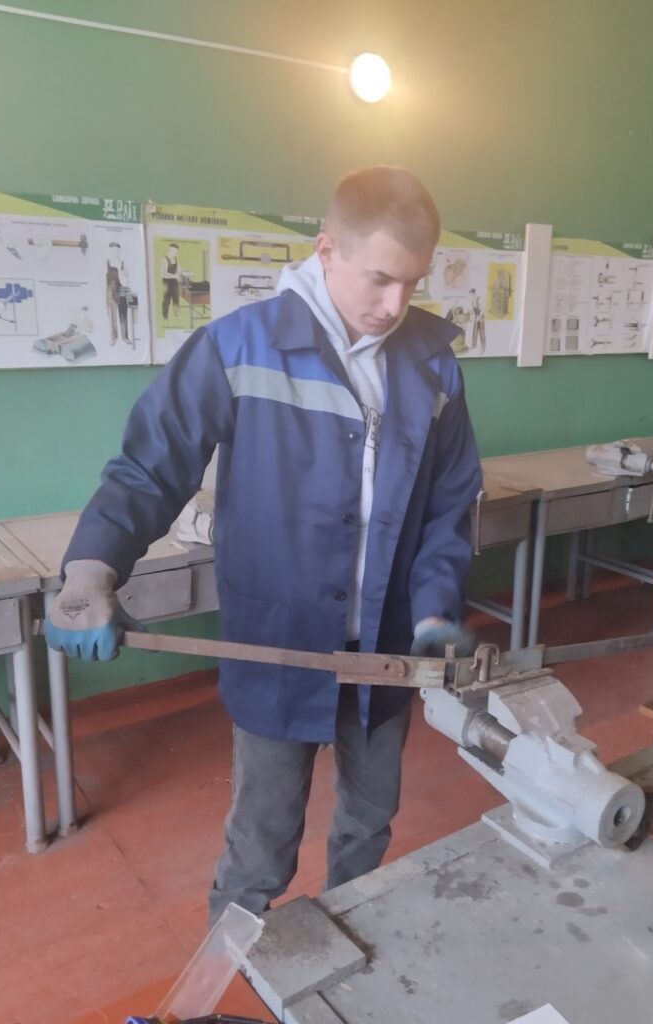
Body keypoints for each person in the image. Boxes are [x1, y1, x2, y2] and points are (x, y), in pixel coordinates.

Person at [45, 166, 483, 927]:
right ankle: (233, 967)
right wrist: (90, 570)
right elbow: (150, 469)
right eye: (380, 279)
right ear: (326, 250)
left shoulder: (431, 363)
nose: (395, 305)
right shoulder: (239, 347)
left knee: (369, 821)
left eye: (413, 282)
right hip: (279, 643)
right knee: (261, 843)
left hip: (385, 647)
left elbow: (449, 504)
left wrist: (436, 609)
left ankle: (357, 944)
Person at [105, 242, 130, 344]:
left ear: (119, 251)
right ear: (110, 250)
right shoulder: (106, 263)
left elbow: (126, 282)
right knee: (112, 315)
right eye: (113, 250)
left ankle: (125, 337)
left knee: (123, 314)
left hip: (122, 292)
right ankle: (113, 337)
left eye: (117, 250)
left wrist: (119, 270)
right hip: (110, 292)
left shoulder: (123, 264)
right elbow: (101, 280)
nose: (115, 252)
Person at [161, 242, 181, 320]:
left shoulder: (175, 258)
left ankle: (177, 316)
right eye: (174, 251)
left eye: (177, 252)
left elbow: (178, 269)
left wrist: (179, 273)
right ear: (170, 250)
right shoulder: (164, 259)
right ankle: (165, 317)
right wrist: (174, 276)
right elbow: (163, 274)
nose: (176, 253)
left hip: (174, 282)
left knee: (176, 299)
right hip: (167, 283)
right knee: (166, 300)